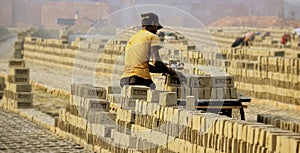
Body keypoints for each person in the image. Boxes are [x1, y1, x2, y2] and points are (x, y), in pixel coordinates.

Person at [120, 12, 181, 89]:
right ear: (153, 23)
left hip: (125, 79)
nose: (156, 31)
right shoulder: (152, 36)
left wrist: (165, 69)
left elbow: (145, 66)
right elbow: (156, 62)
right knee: (156, 94)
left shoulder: (133, 38)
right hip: (139, 79)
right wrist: (173, 73)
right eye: (156, 27)